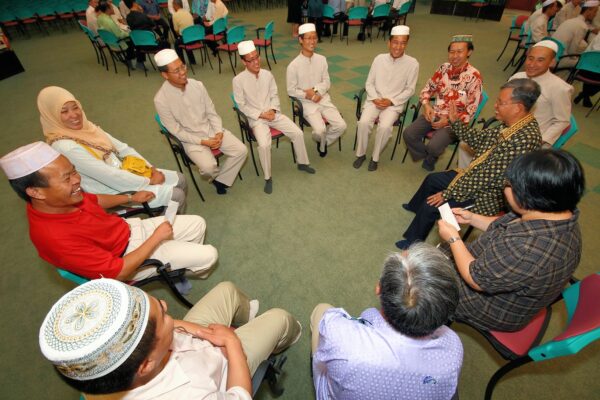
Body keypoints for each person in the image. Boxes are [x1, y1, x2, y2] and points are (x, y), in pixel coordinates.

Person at [39, 278, 302, 399]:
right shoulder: (188, 395)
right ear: (145, 365)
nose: (166, 306)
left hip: (197, 342)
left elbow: (172, 326)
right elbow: (238, 396)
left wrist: (201, 333)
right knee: (280, 318)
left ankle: (248, 316)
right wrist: (232, 344)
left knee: (227, 289)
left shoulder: (108, 362)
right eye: (162, 315)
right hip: (224, 368)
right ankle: (287, 336)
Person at [0, 142, 217, 281]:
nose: (77, 180)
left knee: (198, 223)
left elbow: (94, 199)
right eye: (67, 178)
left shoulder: (63, 198)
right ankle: (175, 272)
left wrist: (131, 197)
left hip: (128, 231)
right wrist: (156, 239)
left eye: (73, 171)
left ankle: (178, 265)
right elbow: (118, 272)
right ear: (36, 192)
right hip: (126, 259)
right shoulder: (51, 237)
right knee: (209, 255)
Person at [437, 149, 584, 332]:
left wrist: (453, 238)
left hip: (489, 305)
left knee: (416, 278)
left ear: (526, 197)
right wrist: (472, 218)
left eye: (508, 184)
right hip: (494, 268)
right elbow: (507, 223)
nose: (504, 187)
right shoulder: (556, 212)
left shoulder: (528, 249)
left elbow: (476, 279)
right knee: (427, 256)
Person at [395, 78, 542, 250]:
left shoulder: (523, 140)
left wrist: (448, 193)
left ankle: (413, 242)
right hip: (474, 176)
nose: (495, 105)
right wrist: (455, 122)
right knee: (432, 180)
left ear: (518, 107)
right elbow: (480, 140)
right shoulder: (513, 124)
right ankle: (415, 208)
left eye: (501, 103)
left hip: (487, 194)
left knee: (431, 205)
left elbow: (487, 178)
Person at [311, 244, 463, 400]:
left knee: (322, 310)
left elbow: (330, 320)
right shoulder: (453, 346)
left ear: (378, 288)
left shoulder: (340, 335)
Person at [38, 87, 186, 212]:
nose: (74, 115)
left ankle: (168, 226)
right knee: (177, 195)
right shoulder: (65, 146)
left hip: (127, 172)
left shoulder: (87, 127)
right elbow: (108, 175)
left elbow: (123, 149)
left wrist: (152, 169)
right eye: (64, 111)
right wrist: (149, 180)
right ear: (51, 116)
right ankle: (164, 233)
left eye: (75, 107)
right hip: (114, 190)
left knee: (180, 179)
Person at [154, 49, 247, 195]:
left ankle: (221, 179)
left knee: (241, 150)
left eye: (183, 66)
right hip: (191, 140)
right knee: (209, 168)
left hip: (211, 129)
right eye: (176, 71)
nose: (183, 72)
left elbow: (212, 113)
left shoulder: (197, 85)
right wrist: (203, 142)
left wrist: (218, 132)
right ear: (165, 75)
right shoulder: (161, 100)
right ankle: (215, 177)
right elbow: (177, 132)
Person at [233, 41, 316, 194]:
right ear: (243, 62)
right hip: (257, 119)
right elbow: (241, 105)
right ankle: (267, 177)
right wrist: (260, 114)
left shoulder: (268, 75)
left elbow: (274, 95)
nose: (256, 61)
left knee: (297, 132)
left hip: (273, 114)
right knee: (264, 145)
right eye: (251, 60)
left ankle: (302, 163)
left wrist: (272, 110)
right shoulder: (238, 81)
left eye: (257, 57)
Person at [403, 35, 483, 171]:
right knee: (408, 134)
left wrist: (447, 121)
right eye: (452, 52)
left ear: (469, 52)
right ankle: (428, 154)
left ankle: (431, 156)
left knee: (434, 146)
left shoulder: (474, 76)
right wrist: (427, 105)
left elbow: (471, 111)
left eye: (459, 52)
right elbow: (427, 89)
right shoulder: (443, 68)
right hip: (435, 113)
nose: (454, 56)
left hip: (455, 122)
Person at [353, 25, 419, 171]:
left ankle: (375, 158)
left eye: (402, 43)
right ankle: (361, 154)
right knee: (363, 122)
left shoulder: (413, 63)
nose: (398, 47)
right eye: (395, 42)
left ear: (406, 44)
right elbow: (369, 83)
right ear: (389, 43)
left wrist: (391, 101)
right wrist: (376, 98)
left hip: (394, 104)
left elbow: (410, 89)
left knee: (384, 127)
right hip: (374, 100)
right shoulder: (379, 59)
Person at [287, 23, 347, 157]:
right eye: (308, 38)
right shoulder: (293, 66)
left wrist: (315, 90)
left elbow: (326, 82)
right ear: (300, 40)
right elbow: (291, 91)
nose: (312, 41)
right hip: (307, 104)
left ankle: (323, 142)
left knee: (341, 126)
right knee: (320, 130)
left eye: (314, 38)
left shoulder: (322, 59)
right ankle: (321, 139)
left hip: (323, 99)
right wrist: (308, 95)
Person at [510, 40, 573, 146]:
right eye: (530, 58)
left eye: (540, 60)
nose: (532, 64)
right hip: (508, 132)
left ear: (552, 62)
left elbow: (562, 121)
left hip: (534, 140)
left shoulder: (560, 88)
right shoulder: (516, 77)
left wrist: (540, 141)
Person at [552, 1, 599, 67]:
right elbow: (572, 51)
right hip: (559, 59)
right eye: (595, 11)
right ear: (588, 10)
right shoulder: (582, 26)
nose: (595, 14)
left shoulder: (572, 20)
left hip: (553, 53)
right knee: (585, 63)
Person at [574, 33, 600, 106]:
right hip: (591, 70)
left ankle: (585, 94)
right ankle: (585, 94)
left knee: (593, 67)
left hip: (584, 68)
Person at [171, 0, 197, 64]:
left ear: (176, 5)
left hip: (186, 39)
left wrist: (179, 36)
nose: (172, 7)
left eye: (173, 5)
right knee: (185, 38)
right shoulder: (188, 12)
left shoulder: (175, 15)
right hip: (195, 38)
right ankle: (192, 61)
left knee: (177, 43)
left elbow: (176, 30)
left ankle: (182, 62)